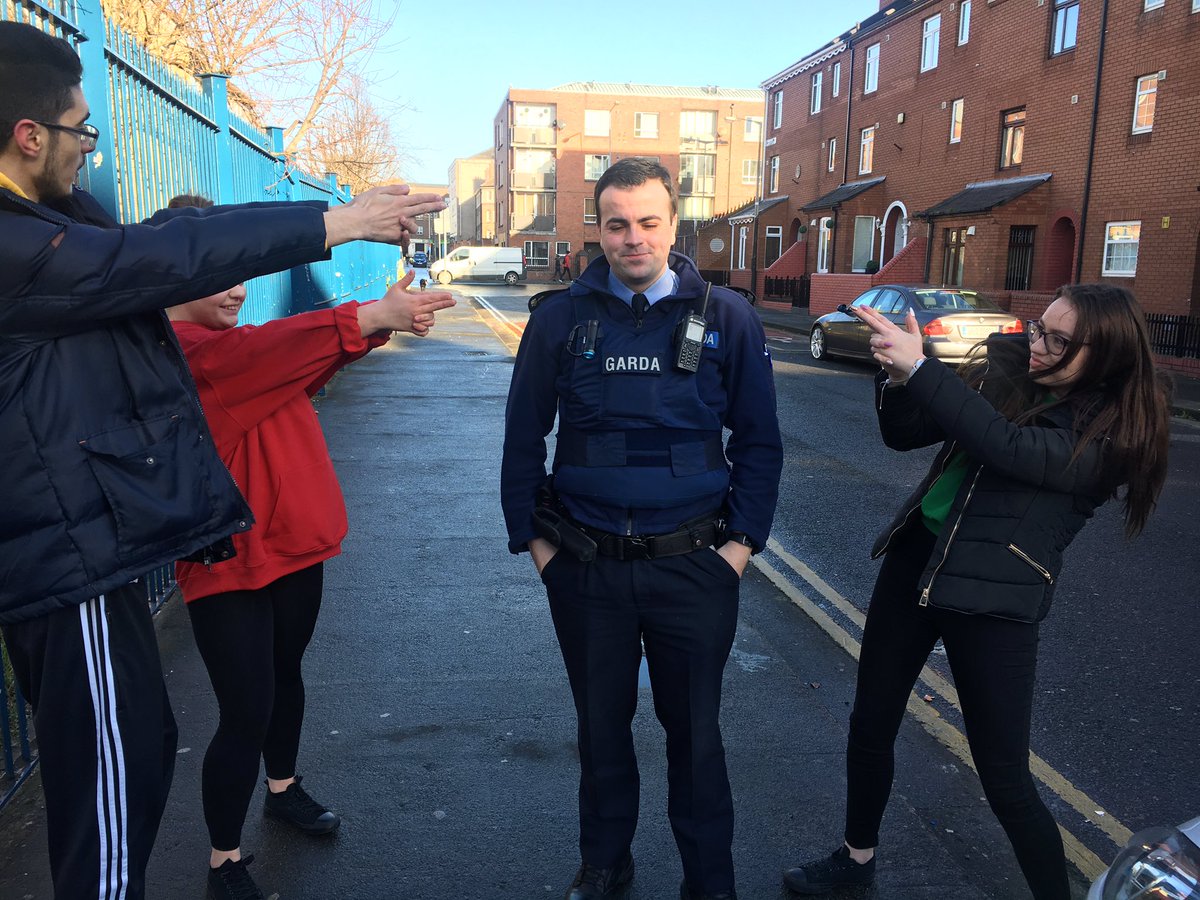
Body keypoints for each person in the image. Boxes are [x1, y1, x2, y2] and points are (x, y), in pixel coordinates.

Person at [0, 22, 444, 900]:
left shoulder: (53, 230)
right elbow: (180, 268)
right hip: (70, 563)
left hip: (97, 550)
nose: (91, 150)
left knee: (150, 744)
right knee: (118, 781)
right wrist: (344, 226)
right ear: (29, 136)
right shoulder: (26, 249)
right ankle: (223, 855)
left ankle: (278, 792)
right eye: (83, 129)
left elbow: (190, 245)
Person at [782, 284, 1171, 898]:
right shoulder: (1011, 372)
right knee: (871, 722)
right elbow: (907, 433)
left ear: (1107, 356)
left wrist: (924, 369)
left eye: (1059, 341)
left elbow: (1005, 445)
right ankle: (856, 861)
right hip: (917, 561)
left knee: (1005, 779)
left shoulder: (1109, 436)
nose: (1037, 344)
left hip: (995, 594)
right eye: (1039, 328)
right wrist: (897, 376)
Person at [501, 157, 783, 900]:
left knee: (696, 736)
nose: (633, 238)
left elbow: (760, 443)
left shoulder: (728, 318)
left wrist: (737, 549)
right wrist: (540, 550)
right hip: (586, 567)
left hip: (695, 565)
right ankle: (605, 862)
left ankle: (708, 880)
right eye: (617, 224)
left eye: (648, 222)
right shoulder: (559, 319)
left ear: (673, 224)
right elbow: (522, 441)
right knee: (600, 730)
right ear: (598, 228)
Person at [161, 195, 455, 899]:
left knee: (284, 676)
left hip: (293, 542)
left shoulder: (232, 348)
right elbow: (265, 356)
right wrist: (368, 319)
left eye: (240, 274)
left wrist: (377, 325)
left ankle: (283, 787)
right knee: (245, 709)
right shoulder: (181, 355)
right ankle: (224, 860)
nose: (236, 289)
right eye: (218, 275)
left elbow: (297, 368)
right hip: (228, 561)